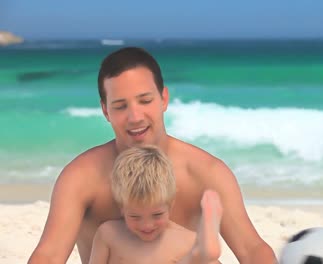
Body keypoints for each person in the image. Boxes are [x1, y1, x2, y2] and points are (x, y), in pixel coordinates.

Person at [28, 47, 277, 264]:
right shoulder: (82, 178)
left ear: (163, 98)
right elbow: (48, 256)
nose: (135, 117)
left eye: (145, 100)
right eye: (120, 106)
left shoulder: (205, 173)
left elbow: (252, 249)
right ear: (105, 110)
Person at [89, 145, 222, 264]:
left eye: (157, 215)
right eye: (135, 216)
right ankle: (198, 254)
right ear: (121, 207)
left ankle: (201, 254)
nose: (147, 225)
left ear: (171, 203)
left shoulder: (184, 240)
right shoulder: (107, 234)